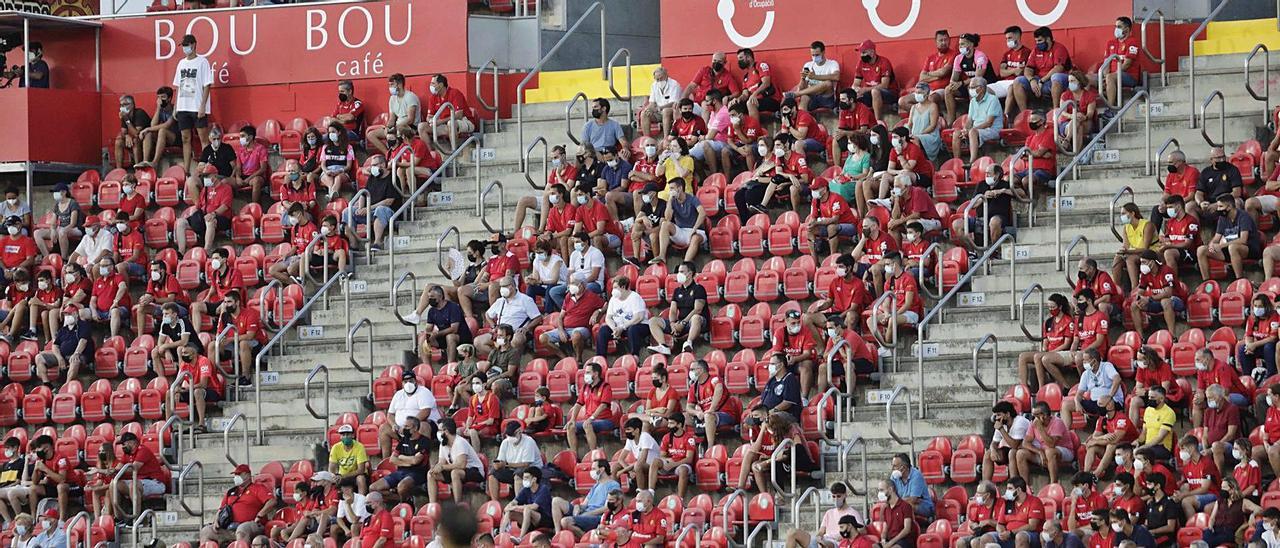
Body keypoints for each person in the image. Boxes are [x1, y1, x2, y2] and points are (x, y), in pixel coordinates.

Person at [171, 34, 213, 171]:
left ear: (193, 45)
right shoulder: (181, 63)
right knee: (185, 138)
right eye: (183, 45)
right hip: (183, 106)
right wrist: (176, 106)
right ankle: (187, 170)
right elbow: (178, 85)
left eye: (186, 45)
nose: (184, 48)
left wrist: (203, 106)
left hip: (197, 106)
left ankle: (207, 166)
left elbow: (207, 85)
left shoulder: (202, 62)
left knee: (203, 138)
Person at [646, 261, 706, 355]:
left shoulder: (699, 289)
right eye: (678, 272)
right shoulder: (677, 291)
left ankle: (688, 343)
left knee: (696, 317)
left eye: (682, 271)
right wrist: (672, 324)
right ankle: (663, 346)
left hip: (694, 322)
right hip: (680, 322)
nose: (679, 274)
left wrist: (683, 323)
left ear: (689, 274)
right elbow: (673, 310)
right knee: (653, 321)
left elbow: (697, 309)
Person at [369, 415, 432, 502]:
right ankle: (405, 499)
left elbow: (416, 460)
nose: (403, 428)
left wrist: (401, 457)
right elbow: (392, 459)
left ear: (415, 428)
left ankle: (404, 504)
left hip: (417, 474)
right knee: (373, 488)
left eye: (407, 426)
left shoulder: (424, 441)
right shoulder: (404, 440)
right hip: (400, 472)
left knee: (401, 487)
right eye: (404, 426)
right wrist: (408, 463)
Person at [1200, 194, 1261, 282]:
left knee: (1233, 247)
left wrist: (1221, 246)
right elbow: (1217, 237)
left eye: (1221, 206)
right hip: (1229, 249)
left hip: (1249, 249)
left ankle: (1239, 280)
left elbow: (1243, 240)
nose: (1218, 209)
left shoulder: (1243, 216)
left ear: (1229, 207)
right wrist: (1211, 245)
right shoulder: (1222, 218)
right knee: (1201, 250)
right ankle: (1206, 282)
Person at [782, 482, 863, 548]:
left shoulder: (853, 512)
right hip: (823, 540)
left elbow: (861, 531)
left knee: (826, 544)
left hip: (837, 543)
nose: (836, 499)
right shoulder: (829, 512)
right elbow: (821, 531)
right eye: (833, 496)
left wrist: (844, 536)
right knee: (792, 532)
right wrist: (818, 537)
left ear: (845, 495)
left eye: (839, 496)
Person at [1011, 26, 1073, 112]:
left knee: (1056, 77)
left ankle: (1056, 111)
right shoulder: (1036, 50)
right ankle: (1024, 114)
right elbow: (1028, 69)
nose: (1037, 44)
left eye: (1040, 41)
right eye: (1036, 41)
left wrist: (1042, 81)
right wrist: (1031, 80)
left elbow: (1058, 68)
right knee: (1018, 81)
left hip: (1060, 80)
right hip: (1039, 81)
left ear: (1048, 39)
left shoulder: (1059, 48)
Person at [474, 277, 543, 354]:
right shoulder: (500, 301)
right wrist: (493, 326)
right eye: (501, 287)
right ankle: (499, 358)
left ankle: (512, 361)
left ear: (512, 286)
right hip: (501, 333)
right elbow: (488, 314)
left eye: (504, 286)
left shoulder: (526, 300)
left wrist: (526, 328)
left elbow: (538, 317)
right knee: (478, 342)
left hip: (515, 333)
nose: (502, 289)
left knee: (518, 339)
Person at [1128, 250, 1186, 340]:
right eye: (1141, 263)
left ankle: (1172, 336)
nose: (1142, 265)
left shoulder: (1166, 270)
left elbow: (1168, 293)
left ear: (1152, 262)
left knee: (1165, 301)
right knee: (1134, 305)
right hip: (1156, 301)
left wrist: (1149, 298)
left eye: (1144, 262)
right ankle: (1140, 338)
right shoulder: (1145, 274)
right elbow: (1140, 290)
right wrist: (1139, 298)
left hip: (1175, 300)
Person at [379, 370, 438, 458]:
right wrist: (393, 425)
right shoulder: (398, 394)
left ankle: (423, 460)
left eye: (411, 380)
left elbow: (425, 412)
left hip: (419, 427)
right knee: (384, 428)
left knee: (423, 426)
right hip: (401, 429)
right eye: (405, 381)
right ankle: (386, 461)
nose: (408, 383)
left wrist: (408, 425)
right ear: (402, 383)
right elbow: (390, 414)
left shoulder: (424, 392)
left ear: (415, 381)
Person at [175, 165, 233, 255]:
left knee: (210, 220)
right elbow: (201, 205)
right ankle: (181, 252)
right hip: (205, 216)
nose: (205, 179)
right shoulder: (206, 189)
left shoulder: (226, 188)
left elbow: (225, 206)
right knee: (181, 222)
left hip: (221, 218)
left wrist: (213, 214)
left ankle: (206, 251)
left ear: (215, 176)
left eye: (207, 176)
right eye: (204, 176)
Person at [1015, 401, 1076, 485]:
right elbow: (1025, 443)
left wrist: (1040, 428)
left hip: (1064, 451)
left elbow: (1051, 444)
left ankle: (1053, 484)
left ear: (1044, 415)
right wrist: (1039, 452)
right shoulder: (1034, 423)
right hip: (1044, 452)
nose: (1034, 418)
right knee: (1020, 453)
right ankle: (1024, 487)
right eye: (1033, 415)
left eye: (1036, 415)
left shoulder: (1057, 422)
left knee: (1050, 451)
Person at [428, 418, 485, 505]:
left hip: (474, 470)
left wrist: (442, 467)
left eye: (440, 430)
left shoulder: (460, 442)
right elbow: (441, 462)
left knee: (455, 473)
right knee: (431, 474)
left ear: (446, 431)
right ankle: (432, 505)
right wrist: (436, 468)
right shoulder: (443, 444)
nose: (438, 433)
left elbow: (462, 464)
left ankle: (458, 505)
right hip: (457, 470)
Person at [897, 30, 954, 115]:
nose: (943, 43)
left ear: (949, 41)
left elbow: (944, 72)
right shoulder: (930, 57)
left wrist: (929, 74)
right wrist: (937, 76)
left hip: (941, 89)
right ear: (936, 42)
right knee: (902, 101)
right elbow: (922, 77)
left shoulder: (953, 54)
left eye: (945, 40)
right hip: (926, 89)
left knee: (931, 99)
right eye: (941, 40)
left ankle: (932, 117)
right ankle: (926, 115)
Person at [170, 341, 224, 431]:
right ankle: (169, 425)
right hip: (192, 390)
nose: (183, 355)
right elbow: (177, 383)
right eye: (182, 353)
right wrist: (177, 390)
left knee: (198, 391)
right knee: (169, 393)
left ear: (194, 354)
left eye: (186, 353)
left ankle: (201, 424)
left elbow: (203, 384)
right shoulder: (184, 364)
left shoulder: (203, 361)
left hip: (213, 391)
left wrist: (186, 389)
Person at [566, 362, 616, 455]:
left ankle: (593, 454)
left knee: (587, 425)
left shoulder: (605, 386)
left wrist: (591, 418)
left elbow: (603, 405)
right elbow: (578, 404)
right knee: (570, 426)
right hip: (589, 420)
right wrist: (572, 419)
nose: (585, 375)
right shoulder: (585, 387)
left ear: (596, 374)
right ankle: (574, 456)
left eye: (588, 372)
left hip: (605, 420)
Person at [1081, 397, 1138, 478]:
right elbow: (1095, 436)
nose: (1098, 407)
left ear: (1110, 405)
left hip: (1128, 448)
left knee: (1111, 445)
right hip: (1114, 449)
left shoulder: (1121, 419)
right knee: (1092, 447)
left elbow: (1114, 440)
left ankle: (1095, 475)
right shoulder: (1102, 418)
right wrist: (1102, 437)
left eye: (1100, 405)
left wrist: (1096, 440)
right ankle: (1085, 475)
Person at [950, 77, 1002, 165]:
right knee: (957, 133)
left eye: (973, 87)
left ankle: (972, 162)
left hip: (992, 130)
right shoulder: (973, 101)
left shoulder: (993, 99)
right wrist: (965, 129)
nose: (970, 90)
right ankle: (957, 162)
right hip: (977, 129)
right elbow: (970, 120)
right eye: (970, 87)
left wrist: (971, 130)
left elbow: (989, 122)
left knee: (972, 132)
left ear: (981, 88)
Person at [944, 33, 993, 125]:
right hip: (968, 84)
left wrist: (962, 83)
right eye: (959, 44)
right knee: (948, 90)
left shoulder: (980, 56)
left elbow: (978, 78)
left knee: (972, 88)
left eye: (963, 44)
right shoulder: (958, 58)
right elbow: (953, 79)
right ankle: (951, 122)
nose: (960, 47)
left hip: (986, 85)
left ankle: (974, 119)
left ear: (971, 44)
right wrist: (953, 84)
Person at [594, 276, 649, 357]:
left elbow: (638, 317)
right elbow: (608, 318)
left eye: (615, 287)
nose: (613, 290)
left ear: (623, 287)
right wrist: (614, 329)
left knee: (632, 329)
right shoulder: (613, 299)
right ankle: (600, 358)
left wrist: (622, 327)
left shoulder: (635, 297)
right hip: (619, 328)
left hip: (638, 326)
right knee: (603, 331)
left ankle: (634, 356)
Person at [488, 422, 543, 502]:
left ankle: (518, 503)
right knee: (492, 474)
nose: (510, 438)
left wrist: (506, 464)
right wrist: (498, 465)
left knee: (518, 474)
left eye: (513, 435)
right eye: (509, 436)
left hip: (532, 469)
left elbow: (526, 464)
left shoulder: (528, 441)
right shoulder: (505, 442)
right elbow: (501, 460)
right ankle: (495, 503)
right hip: (513, 469)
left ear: (519, 432)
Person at [418, 74, 476, 148]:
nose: (431, 86)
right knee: (421, 126)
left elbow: (459, 115)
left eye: (433, 83)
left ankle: (454, 152)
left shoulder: (455, 93)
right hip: (444, 125)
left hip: (465, 122)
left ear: (441, 85)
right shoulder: (433, 97)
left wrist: (440, 121)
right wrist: (431, 121)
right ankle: (430, 154)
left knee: (451, 123)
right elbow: (429, 116)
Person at [367, 73, 420, 155]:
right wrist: (388, 127)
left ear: (399, 84)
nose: (390, 87)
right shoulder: (392, 98)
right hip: (397, 126)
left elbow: (410, 119)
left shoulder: (410, 97)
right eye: (389, 85)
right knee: (371, 134)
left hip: (410, 128)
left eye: (392, 84)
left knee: (398, 130)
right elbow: (392, 118)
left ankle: (398, 154)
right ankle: (388, 154)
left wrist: (396, 127)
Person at [501, 467, 552, 540]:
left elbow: (534, 507)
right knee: (509, 512)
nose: (524, 480)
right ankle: (501, 535)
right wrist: (509, 506)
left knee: (527, 509)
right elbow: (514, 502)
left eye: (527, 478)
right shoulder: (525, 489)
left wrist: (515, 507)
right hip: (530, 520)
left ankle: (520, 538)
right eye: (524, 478)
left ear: (534, 479)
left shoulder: (543, 489)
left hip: (544, 519)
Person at [788, 41, 841, 111]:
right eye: (813, 55)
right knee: (804, 97)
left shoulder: (832, 63)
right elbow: (802, 87)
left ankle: (797, 94)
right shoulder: (808, 65)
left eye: (817, 55)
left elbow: (836, 77)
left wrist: (815, 77)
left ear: (823, 52)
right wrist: (803, 79)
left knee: (828, 83)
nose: (814, 57)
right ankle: (803, 119)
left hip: (826, 98)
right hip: (812, 97)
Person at [1100, 17, 1141, 106]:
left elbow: (1127, 64)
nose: (1116, 29)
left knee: (1110, 78)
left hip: (1129, 76)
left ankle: (1110, 108)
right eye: (1115, 26)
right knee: (1087, 79)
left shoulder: (1133, 42)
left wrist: (1111, 76)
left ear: (1126, 29)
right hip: (1110, 76)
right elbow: (1106, 62)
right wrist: (1105, 76)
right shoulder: (1110, 43)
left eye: (1119, 26)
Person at [850, 40, 896, 117]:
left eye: (864, 52)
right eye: (861, 53)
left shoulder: (884, 62)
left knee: (875, 92)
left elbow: (884, 85)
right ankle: (857, 124)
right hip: (869, 93)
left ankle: (877, 122)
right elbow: (855, 83)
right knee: (849, 97)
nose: (861, 55)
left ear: (872, 52)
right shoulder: (861, 63)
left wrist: (865, 89)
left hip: (889, 93)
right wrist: (855, 89)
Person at [1056, 71, 1097, 153]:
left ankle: (1067, 140)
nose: (1070, 83)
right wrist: (1072, 116)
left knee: (1079, 123)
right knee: (1078, 124)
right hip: (1067, 124)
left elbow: (1090, 113)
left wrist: (1084, 117)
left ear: (1080, 82)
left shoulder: (1090, 95)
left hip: (1085, 122)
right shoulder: (1065, 95)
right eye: (1069, 81)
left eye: (1072, 81)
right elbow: (1062, 112)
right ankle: (1077, 155)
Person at [734, 47, 780, 119]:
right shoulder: (745, 77)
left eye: (741, 58)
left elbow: (766, 83)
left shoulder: (760, 65)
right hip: (755, 101)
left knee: (750, 103)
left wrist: (754, 94)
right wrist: (738, 99)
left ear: (748, 57)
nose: (739, 61)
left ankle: (755, 129)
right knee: (734, 107)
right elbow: (745, 94)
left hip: (771, 99)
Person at [231, 125, 269, 204]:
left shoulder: (261, 149)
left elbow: (263, 169)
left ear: (250, 137)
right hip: (243, 176)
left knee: (256, 181)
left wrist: (248, 179)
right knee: (225, 181)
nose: (240, 139)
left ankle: (255, 207)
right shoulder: (240, 150)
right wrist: (238, 177)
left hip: (256, 176)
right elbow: (238, 167)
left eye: (242, 136)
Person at [328, 424, 369, 494]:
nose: (345, 437)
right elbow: (332, 467)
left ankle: (361, 502)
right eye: (343, 435)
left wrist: (342, 476)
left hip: (356, 475)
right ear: (340, 437)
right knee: (328, 481)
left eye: (348, 434)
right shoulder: (335, 447)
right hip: (342, 475)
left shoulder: (359, 447)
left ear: (353, 435)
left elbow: (361, 470)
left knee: (361, 479)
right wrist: (334, 476)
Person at [114, 95, 152, 169]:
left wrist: (126, 120)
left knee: (135, 140)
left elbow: (136, 133)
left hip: (147, 142)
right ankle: (119, 170)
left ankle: (138, 169)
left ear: (132, 105)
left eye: (124, 104)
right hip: (134, 139)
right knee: (119, 140)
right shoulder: (125, 115)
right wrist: (126, 136)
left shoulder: (139, 113)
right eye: (121, 105)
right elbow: (123, 132)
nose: (122, 107)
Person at [641, 67, 681, 137]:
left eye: (661, 78)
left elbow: (673, 103)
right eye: (657, 79)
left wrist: (659, 108)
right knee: (644, 113)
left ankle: (666, 138)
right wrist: (649, 109)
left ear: (666, 76)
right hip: (658, 112)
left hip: (672, 111)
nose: (659, 81)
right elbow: (652, 103)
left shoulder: (674, 84)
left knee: (666, 111)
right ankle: (647, 139)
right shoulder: (654, 85)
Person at [876, 480, 917, 548]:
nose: (880, 493)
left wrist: (890, 543)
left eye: (882, 490)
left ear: (890, 489)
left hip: (904, 541)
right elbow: (884, 529)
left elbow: (907, 529)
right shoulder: (885, 508)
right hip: (890, 540)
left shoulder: (905, 506)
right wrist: (883, 540)